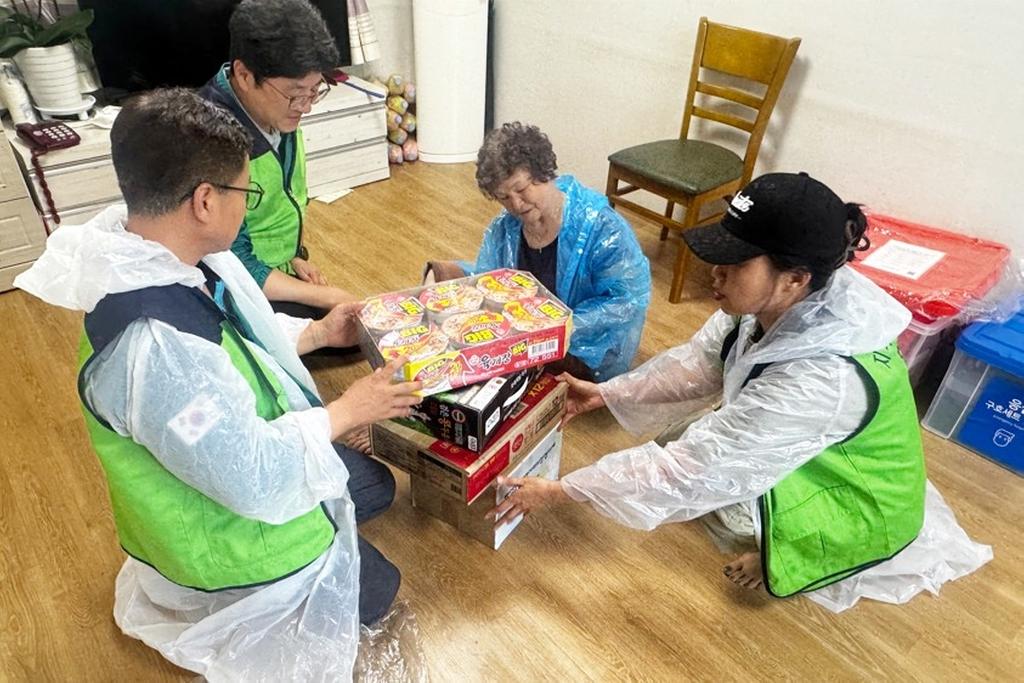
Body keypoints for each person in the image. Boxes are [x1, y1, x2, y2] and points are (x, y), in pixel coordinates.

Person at [14, 89, 422, 679]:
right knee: (375, 595)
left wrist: (315, 335)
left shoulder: (166, 249)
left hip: (228, 457)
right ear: (205, 201)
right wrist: (348, 409)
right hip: (223, 536)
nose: (246, 208)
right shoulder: (156, 351)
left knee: (372, 490)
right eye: (244, 193)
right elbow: (251, 474)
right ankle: (243, 594)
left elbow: (232, 329)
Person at [488, 172, 991, 610]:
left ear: (795, 278)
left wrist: (561, 490)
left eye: (735, 263)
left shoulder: (820, 379)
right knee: (688, 441)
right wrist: (609, 393)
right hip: (814, 440)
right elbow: (701, 362)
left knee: (710, 483)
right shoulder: (784, 301)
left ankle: (782, 559)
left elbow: (688, 472)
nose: (716, 272)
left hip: (854, 491)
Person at [428, 122, 652, 382]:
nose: (516, 204)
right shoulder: (506, 227)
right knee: (442, 291)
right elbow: (490, 281)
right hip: (527, 335)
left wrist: (559, 325)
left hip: (583, 346)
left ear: (543, 173)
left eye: (522, 190)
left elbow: (627, 301)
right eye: (503, 197)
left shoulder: (603, 228)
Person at [199, 0, 355, 320]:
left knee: (346, 325)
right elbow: (230, 260)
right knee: (332, 324)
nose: (306, 106)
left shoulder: (276, 109)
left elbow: (279, 204)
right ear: (244, 74)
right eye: (296, 94)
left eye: (314, 90)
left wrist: (293, 258)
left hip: (269, 267)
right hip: (223, 283)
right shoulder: (210, 140)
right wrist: (323, 295)